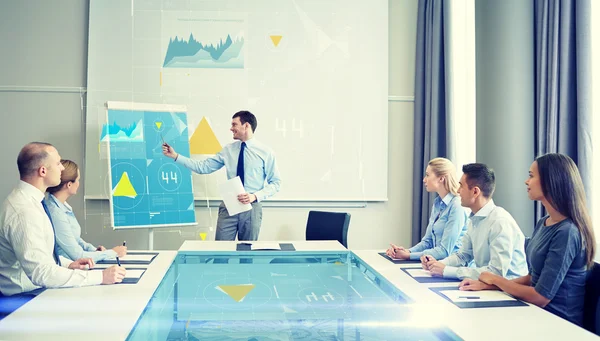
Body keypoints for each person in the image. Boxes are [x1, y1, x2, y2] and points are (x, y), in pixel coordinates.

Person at [459, 154, 596, 326]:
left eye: (531, 176)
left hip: (556, 323)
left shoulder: (567, 232)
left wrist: (496, 280)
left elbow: (541, 297)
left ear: (550, 181)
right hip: (532, 311)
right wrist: (489, 285)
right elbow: (533, 277)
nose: (526, 181)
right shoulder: (543, 222)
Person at [0, 142, 126, 298]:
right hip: (24, 298)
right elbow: (41, 273)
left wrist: (67, 264)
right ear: (43, 171)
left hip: (35, 290)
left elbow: (38, 256)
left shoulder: (32, 202)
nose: (62, 168)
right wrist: (100, 277)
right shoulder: (24, 211)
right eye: (58, 163)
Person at [163, 111, 281, 241]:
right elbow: (203, 167)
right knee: (220, 249)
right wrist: (176, 156)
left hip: (252, 209)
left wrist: (254, 196)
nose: (231, 128)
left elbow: (276, 183)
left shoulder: (266, 152)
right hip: (229, 205)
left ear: (246, 126)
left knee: (248, 253)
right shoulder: (228, 150)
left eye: (234, 124)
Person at [422, 163, 528, 280]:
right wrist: (439, 264)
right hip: (488, 286)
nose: (457, 191)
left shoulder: (499, 222)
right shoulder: (474, 219)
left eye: (461, 186)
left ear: (475, 192)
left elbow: (496, 272)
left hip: (508, 292)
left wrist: (447, 271)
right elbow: (463, 256)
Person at [45, 159, 127, 262]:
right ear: (69, 184)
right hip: (68, 268)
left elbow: (75, 239)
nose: (79, 184)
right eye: (78, 180)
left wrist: (93, 250)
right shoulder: (55, 213)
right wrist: (113, 253)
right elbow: (78, 256)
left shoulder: (62, 207)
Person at [386, 157, 467, 260]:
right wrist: (407, 251)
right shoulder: (437, 203)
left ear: (441, 178)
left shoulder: (457, 206)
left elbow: (444, 251)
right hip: (436, 264)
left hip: (453, 268)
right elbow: (427, 242)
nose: (424, 179)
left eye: (428, 175)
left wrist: (409, 256)